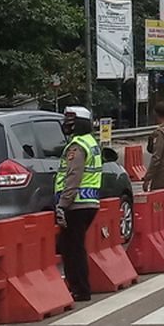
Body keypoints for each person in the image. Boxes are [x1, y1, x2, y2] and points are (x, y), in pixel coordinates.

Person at [55, 106, 102, 302]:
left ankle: (80, 289)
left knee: (73, 249)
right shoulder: (91, 142)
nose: (67, 124)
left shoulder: (77, 146)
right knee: (75, 247)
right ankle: (79, 288)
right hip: (89, 202)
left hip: (76, 204)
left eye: (71, 120)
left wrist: (63, 203)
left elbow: (74, 175)